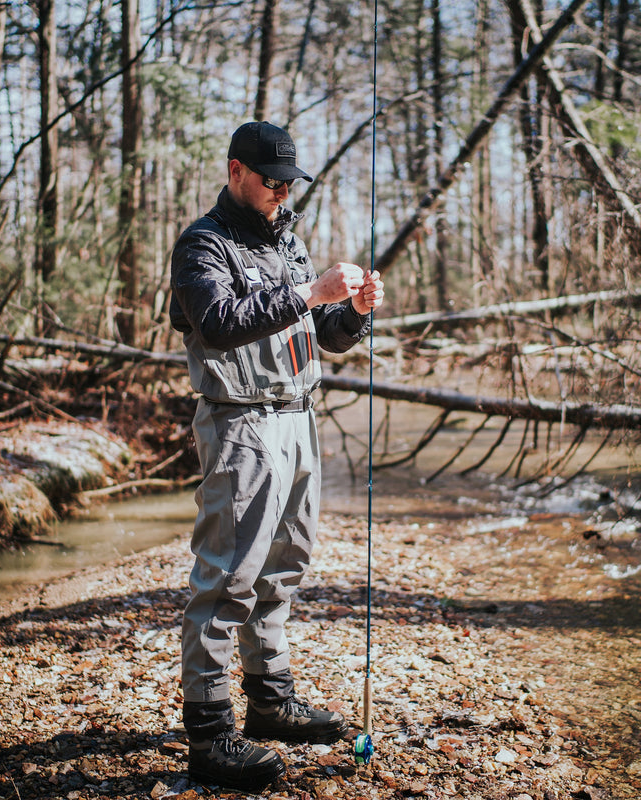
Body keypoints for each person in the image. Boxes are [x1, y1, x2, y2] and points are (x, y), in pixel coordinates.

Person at [169, 120, 384, 792]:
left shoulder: (288, 241)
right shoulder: (202, 245)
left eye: (290, 181)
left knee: (284, 567)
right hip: (239, 425)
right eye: (272, 180)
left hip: (296, 421)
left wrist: (352, 313)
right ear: (237, 172)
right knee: (227, 578)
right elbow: (220, 322)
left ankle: (270, 702)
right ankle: (208, 735)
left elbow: (325, 336)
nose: (283, 191)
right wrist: (309, 292)